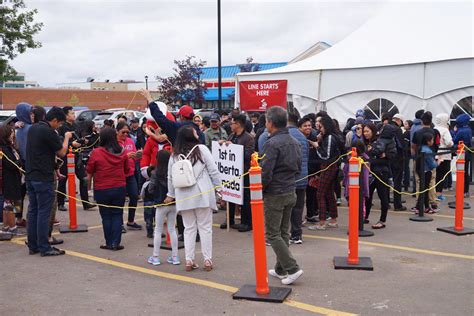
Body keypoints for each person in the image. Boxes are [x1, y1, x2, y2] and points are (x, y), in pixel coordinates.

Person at [165, 126, 221, 272]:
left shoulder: (174, 155)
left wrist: (170, 194)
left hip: (184, 196)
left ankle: (189, 260)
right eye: (195, 132)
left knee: (188, 229)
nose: (198, 133)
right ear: (191, 136)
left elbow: (170, 177)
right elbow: (213, 170)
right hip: (202, 193)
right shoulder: (201, 149)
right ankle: (207, 260)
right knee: (205, 228)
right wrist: (219, 189)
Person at [261, 106, 303, 285]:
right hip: (290, 190)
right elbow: (299, 167)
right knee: (283, 232)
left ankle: (292, 268)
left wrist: (259, 190)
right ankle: (281, 269)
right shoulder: (295, 141)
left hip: (275, 193)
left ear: (270, 123)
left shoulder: (271, 143)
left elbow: (266, 172)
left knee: (272, 234)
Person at [26, 106, 71, 256]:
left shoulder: (33, 128)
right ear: (55, 120)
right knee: (44, 213)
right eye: (59, 124)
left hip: (31, 175)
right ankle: (44, 246)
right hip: (43, 177)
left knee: (33, 211)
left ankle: (33, 245)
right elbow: (62, 152)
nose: (58, 127)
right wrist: (66, 138)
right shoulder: (48, 131)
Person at [86, 128, 129, 250]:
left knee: (106, 216)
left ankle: (109, 242)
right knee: (117, 215)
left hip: (102, 188)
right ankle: (116, 243)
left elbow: (89, 169)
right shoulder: (122, 151)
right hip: (119, 188)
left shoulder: (96, 152)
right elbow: (127, 170)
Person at [219, 114, 254, 232]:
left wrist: (234, 147)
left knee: (244, 197)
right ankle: (230, 219)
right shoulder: (231, 135)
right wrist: (223, 145)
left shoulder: (248, 138)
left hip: (243, 172)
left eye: (232, 122)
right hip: (231, 172)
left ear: (238, 124)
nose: (230, 125)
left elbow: (248, 155)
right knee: (230, 195)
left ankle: (246, 222)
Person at [57, 106, 94, 212]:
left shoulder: (76, 125)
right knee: (63, 180)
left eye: (74, 113)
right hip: (66, 157)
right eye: (72, 113)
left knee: (84, 179)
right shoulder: (61, 127)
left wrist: (84, 141)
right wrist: (70, 143)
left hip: (77, 157)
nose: (74, 115)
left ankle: (86, 203)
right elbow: (59, 142)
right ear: (66, 115)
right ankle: (60, 203)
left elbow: (80, 138)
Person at [307, 115, 341, 230]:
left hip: (328, 167)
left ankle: (322, 222)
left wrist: (317, 146)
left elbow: (326, 156)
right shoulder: (328, 136)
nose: (317, 126)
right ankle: (333, 219)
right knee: (329, 193)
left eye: (319, 124)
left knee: (320, 193)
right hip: (330, 167)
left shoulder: (330, 137)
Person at [147, 150, 180, 266]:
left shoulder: (155, 173)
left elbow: (150, 189)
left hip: (160, 204)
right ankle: (175, 257)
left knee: (158, 230)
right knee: (172, 229)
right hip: (173, 203)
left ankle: (155, 256)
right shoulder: (173, 172)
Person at [363, 123, 390, 229]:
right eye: (364, 131)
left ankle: (382, 220)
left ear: (373, 131)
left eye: (367, 131)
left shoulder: (378, 142)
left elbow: (381, 153)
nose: (365, 133)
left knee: (382, 196)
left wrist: (371, 153)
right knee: (368, 196)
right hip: (371, 173)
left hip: (381, 172)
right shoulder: (368, 142)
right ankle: (365, 216)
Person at [116, 122, 142, 232]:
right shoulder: (114, 143)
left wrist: (138, 155)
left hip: (130, 173)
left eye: (127, 132)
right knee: (120, 200)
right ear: (117, 131)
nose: (126, 134)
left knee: (134, 196)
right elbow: (113, 158)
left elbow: (135, 157)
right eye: (123, 132)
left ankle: (131, 221)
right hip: (119, 175)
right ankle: (119, 224)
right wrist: (125, 156)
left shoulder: (131, 141)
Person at [0, 124, 23, 235]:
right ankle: (12, 226)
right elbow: (11, 164)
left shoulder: (10, 147)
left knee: (9, 204)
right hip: (9, 179)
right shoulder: (4, 149)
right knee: (11, 204)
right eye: (11, 132)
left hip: (15, 179)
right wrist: (20, 162)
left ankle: (6, 226)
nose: (13, 134)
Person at [298, 117, 319, 224]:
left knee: (311, 195)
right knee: (299, 198)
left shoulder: (314, 138)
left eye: (309, 125)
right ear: (299, 127)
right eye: (305, 126)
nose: (308, 127)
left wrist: (317, 172)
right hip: (300, 172)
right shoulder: (298, 138)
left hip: (312, 171)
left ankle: (310, 214)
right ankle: (298, 218)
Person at [386, 113, 406, 211]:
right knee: (397, 181)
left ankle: (386, 203)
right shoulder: (397, 129)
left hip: (385, 158)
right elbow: (401, 145)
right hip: (397, 158)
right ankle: (397, 204)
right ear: (399, 120)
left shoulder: (385, 127)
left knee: (385, 181)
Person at [415, 133, 438, 214]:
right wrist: (439, 162)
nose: (433, 141)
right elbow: (432, 164)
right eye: (432, 140)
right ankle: (418, 207)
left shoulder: (420, 148)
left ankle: (426, 207)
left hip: (420, 171)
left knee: (424, 189)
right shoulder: (427, 150)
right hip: (426, 171)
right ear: (428, 141)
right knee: (424, 190)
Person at [434, 113, 453, 201]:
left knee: (435, 175)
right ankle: (439, 194)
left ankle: (433, 193)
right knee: (442, 176)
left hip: (434, 155)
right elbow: (449, 143)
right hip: (444, 156)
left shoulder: (434, 129)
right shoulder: (445, 130)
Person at [453, 113, 472, 197]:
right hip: (467, 152)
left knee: (460, 172)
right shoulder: (469, 129)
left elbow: (455, 140)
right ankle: (466, 191)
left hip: (461, 152)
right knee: (465, 173)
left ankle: (461, 191)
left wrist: (454, 132)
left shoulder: (460, 131)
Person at [402, 120, 413, 192]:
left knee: (405, 169)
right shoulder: (411, 133)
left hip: (405, 153)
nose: (404, 125)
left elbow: (405, 144)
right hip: (409, 153)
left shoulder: (406, 133)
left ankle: (406, 184)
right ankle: (407, 183)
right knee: (407, 168)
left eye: (406, 124)